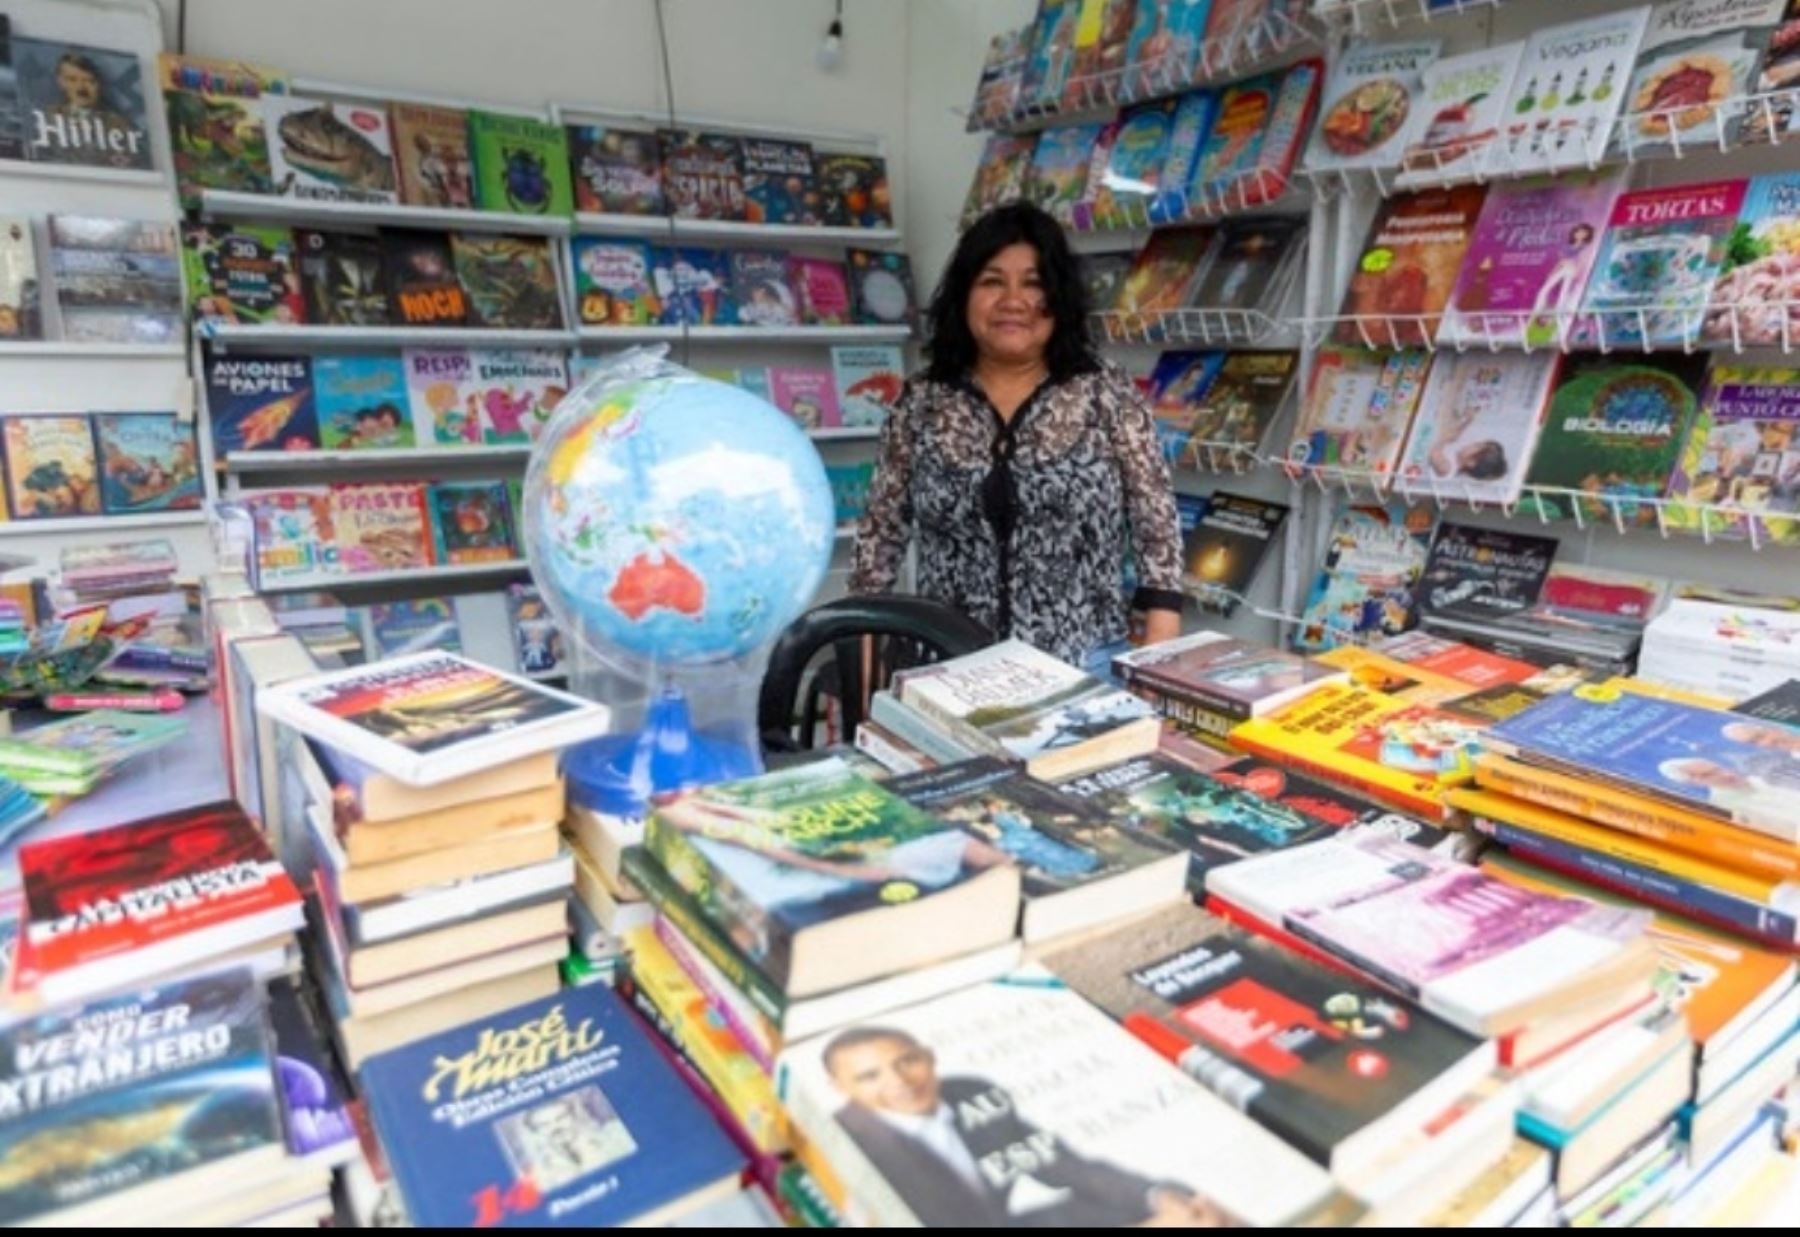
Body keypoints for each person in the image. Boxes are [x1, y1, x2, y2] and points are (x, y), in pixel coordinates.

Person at [849, 203, 1184, 677]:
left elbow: (1159, 536)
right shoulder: (921, 402)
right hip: (947, 672)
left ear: (1059, 298)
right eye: (991, 281)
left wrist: (1154, 671)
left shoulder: (1106, 393)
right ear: (964, 296)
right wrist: (866, 681)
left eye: (1033, 283)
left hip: (1081, 672)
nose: (1013, 300)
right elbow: (877, 547)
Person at [822, 1026, 1226, 1227]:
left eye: (907, 1061)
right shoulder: (846, 1140)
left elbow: (1059, 1164)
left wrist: (1156, 1199)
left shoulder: (969, 1092)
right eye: (869, 1076)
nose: (899, 1083)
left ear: (928, 1057)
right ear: (839, 1088)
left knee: (1175, 1196)